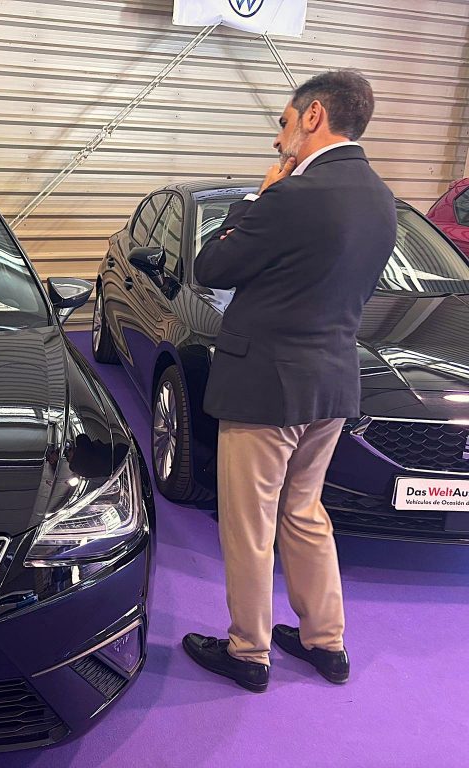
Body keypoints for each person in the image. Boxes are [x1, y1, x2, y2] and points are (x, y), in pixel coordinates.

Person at [182, 70, 397, 692]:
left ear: (314, 115)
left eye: (283, 123)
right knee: (303, 509)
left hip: (265, 386)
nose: (279, 140)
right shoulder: (382, 198)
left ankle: (248, 652)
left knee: (249, 523)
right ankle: (325, 642)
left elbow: (210, 267)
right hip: (332, 382)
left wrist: (256, 199)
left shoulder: (291, 195)